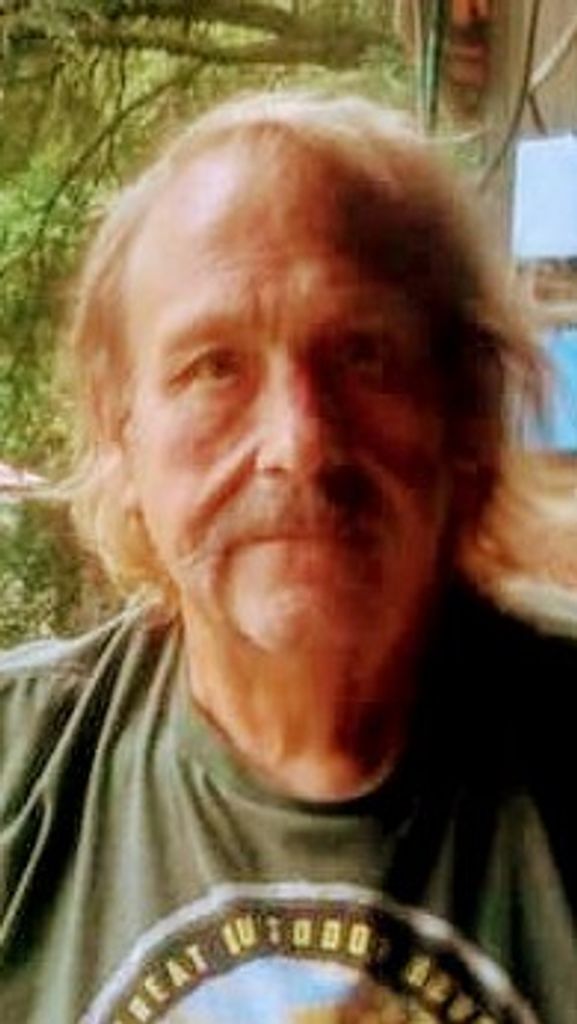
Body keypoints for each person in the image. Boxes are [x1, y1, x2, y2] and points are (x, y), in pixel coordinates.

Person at [0, 90, 575, 1024]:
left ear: (466, 409)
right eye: (213, 367)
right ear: (120, 436)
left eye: (362, 354)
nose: (299, 443)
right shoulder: (19, 778)